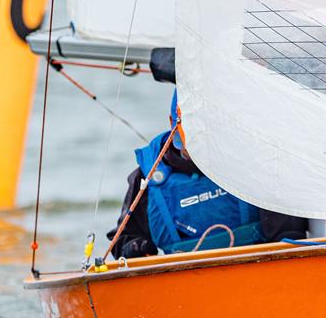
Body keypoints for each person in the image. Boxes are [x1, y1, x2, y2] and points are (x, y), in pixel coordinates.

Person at [107, 90, 306, 258]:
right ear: (172, 122)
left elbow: (287, 239)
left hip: (255, 280)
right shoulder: (148, 176)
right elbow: (123, 241)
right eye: (192, 127)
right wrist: (136, 248)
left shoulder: (256, 163)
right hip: (184, 289)